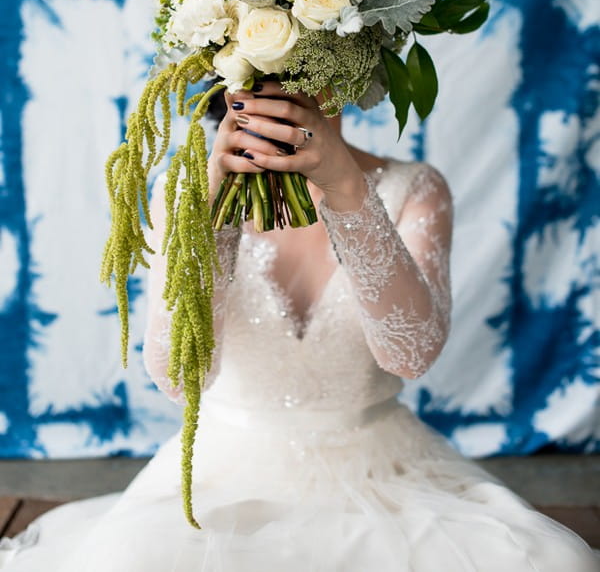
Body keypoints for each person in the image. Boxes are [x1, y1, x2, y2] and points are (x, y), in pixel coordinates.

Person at [2, 83, 597, 571]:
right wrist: (212, 211)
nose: (285, 96)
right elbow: (181, 378)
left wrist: (347, 192)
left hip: (384, 470)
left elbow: (410, 355)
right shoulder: (186, 189)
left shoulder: (415, 187)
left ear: (350, 68)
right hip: (222, 472)